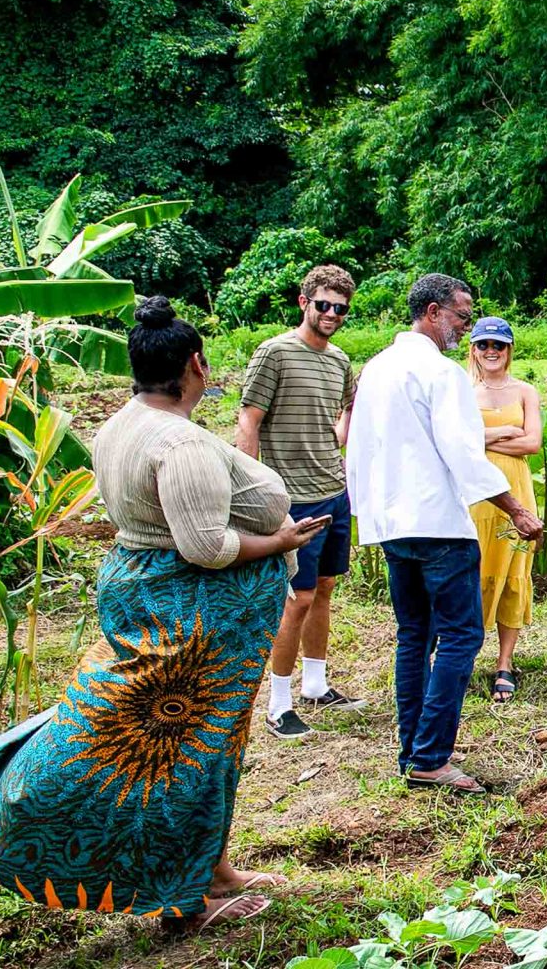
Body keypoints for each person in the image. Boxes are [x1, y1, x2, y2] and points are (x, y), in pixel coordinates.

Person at [0, 297, 324, 930]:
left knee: (211, 744)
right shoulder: (181, 442)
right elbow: (206, 547)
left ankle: (214, 869)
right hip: (186, 615)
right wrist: (281, 542)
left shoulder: (123, 422)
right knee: (178, 753)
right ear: (196, 365)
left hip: (150, 595)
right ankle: (184, 898)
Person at [347, 274, 543, 795]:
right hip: (438, 523)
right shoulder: (440, 372)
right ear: (433, 313)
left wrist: (367, 515)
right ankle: (432, 757)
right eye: (461, 315)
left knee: (414, 636)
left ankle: (413, 749)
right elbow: (462, 451)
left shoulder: (377, 368)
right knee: (460, 635)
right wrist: (516, 509)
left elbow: (358, 448)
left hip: (392, 524)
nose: (464, 325)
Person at [235, 264, 364, 742]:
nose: (332, 314)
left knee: (325, 587)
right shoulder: (275, 352)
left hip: (334, 488)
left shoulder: (339, 360)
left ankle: (315, 684)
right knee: (298, 597)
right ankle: (278, 702)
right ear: (304, 302)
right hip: (294, 495)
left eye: (341, 308)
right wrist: (250, 488)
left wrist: (340, 440)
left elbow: (348, 406)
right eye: (324, 304)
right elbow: (249, 420)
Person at [465, 317, 541, 704]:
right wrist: (500, 434)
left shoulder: (525, 391)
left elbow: (532, 443)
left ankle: (505, 663)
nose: (490, 352)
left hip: (516, 489)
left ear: (509, 349)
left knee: (513, 570)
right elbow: (457, 443)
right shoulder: (462, 391)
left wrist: (483, 444)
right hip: (476, 495)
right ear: (473, 350)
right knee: (473, 571)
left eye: (498, 345)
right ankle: (463, 658)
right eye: (483, 345)